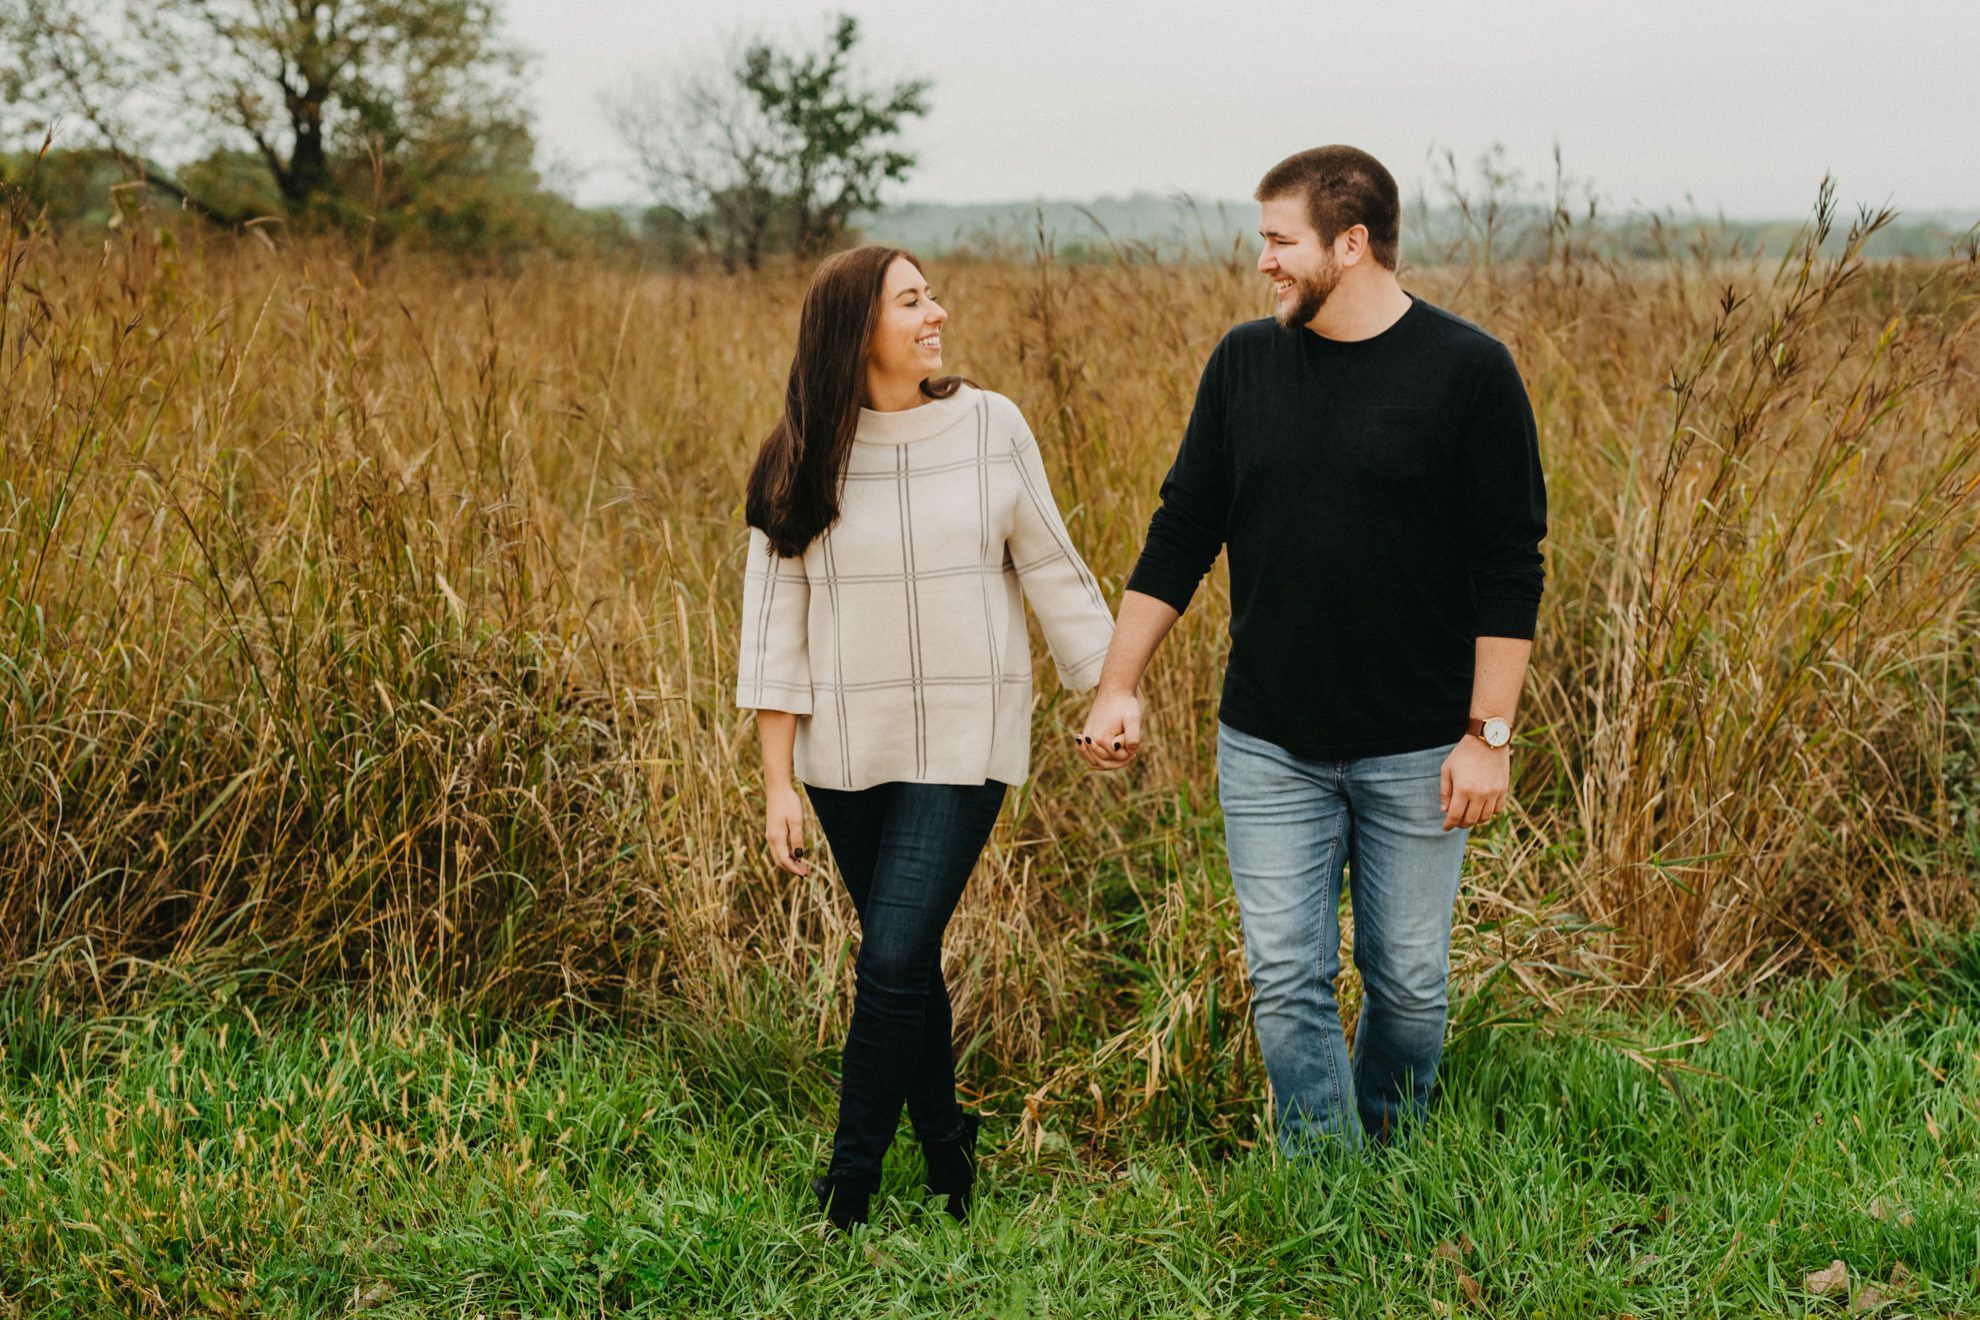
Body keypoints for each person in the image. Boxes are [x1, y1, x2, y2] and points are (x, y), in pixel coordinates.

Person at [1077, 145, 1548, 1153]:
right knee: (1286, 976)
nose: (1264, 262)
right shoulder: (1244, 363)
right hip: (1269, 742)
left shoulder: (1470, 372)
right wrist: (1119, 684)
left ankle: (1390, 1149)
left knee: (1409, 984)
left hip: (1420, 747)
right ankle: (1327, 1180)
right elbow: (1183, 530)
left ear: (1351, 242)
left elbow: (1510, 567)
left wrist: (1488, 736)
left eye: (1279, 241)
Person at [734, 244, 1114, 1230]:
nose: (937, 313)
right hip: (844, 754)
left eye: (932, 295)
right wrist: (777, 784)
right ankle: (948, 1148)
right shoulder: (798, 456)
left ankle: (847, 1189)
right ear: (855, 330)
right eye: (911, 301)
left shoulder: (990, 426)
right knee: (902, 962)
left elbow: (1054, 565)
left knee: (893, 954)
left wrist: (1107, 691)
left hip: (963, 741)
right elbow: (774, 631)